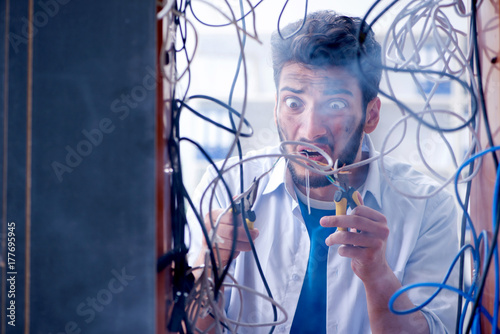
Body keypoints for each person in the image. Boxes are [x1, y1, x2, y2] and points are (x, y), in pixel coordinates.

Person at [187, 10, 459, 334]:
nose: (310, 130)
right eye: (293, 103)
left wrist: (378, 275)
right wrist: (211, 262)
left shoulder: (428, 207)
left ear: (371, 115)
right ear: (276, 107)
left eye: (335, 104)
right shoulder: (226, 186)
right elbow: (184, 328)